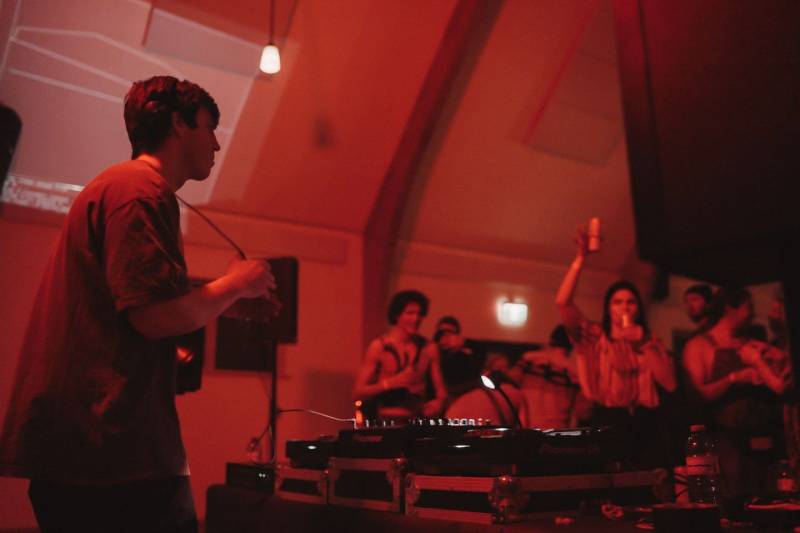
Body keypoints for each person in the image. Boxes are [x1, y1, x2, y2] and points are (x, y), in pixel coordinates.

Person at [0, 76, 277, 533]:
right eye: (209, 128)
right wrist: (235, 284)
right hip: (111, 455)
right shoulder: (140, 191)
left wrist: (225, 297)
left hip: (91, 453)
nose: (216, 144)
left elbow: (137, 306)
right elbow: (154, 317)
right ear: (178, 124)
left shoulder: (121, 186)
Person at [555, 226, 676, 468]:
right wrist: (580, 259)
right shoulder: (594, 335)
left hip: (646, 422)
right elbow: (563, 302)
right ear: (608, 308)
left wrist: (644, 343)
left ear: (638, 308)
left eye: (631, 302)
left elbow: (670, 383)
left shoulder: (649, 339)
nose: (625, 307)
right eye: (617, 302)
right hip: (609, 420)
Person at [682, 287, 790, 499]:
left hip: (764, 439)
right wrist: (734, 379)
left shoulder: (752, 344)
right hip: (726, 443)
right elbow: (698, 395)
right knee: (734, 501)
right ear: (729, 308)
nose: (753, 314)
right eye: (748, 307)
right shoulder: (699, 346)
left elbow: (782, 381)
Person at [353, 290, 447, 420]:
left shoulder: (429, 348)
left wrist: (439, 403)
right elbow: (357, 392)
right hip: (384, 421)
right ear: (397, 315)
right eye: (410, 313)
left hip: (416, 420)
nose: (416, 319)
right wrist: (389, 383)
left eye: (419, 314)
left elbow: (441, 391)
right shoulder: (379, 346)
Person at [434, 316, 483, 400]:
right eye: (442, 333)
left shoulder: (466, 354)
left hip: (463, 396)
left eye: (450, 333)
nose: (446, 336)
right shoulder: (433, 351)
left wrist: (463, 343)